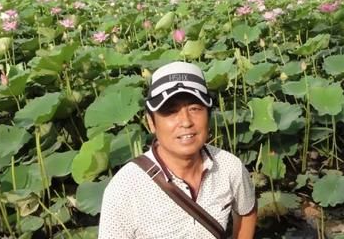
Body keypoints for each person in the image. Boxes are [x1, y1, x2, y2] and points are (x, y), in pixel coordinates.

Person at [99, 61, 257, 239]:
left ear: (209, 114)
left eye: (195, 108)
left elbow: (247, 211)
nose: (186, 121)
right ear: (151, 122)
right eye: (171, 111)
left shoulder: (229, 167)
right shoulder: (125, 189)